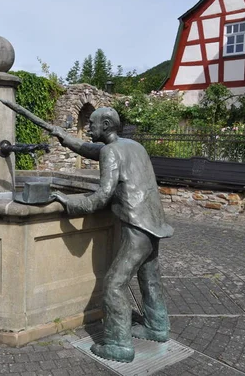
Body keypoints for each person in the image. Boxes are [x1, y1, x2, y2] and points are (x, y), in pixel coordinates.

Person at [50, 107, 174, 363]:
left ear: (106, 125)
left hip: (137, 224)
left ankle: (119, 345)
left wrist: (69, 203)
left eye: (92, 123)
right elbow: (89, 148)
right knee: (149, 276)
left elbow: (102, 197)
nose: (88, 127)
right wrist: (63, 136)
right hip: (154, 222)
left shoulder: (110, 152)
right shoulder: (132, 145)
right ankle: (157, 326)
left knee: (114, 284)